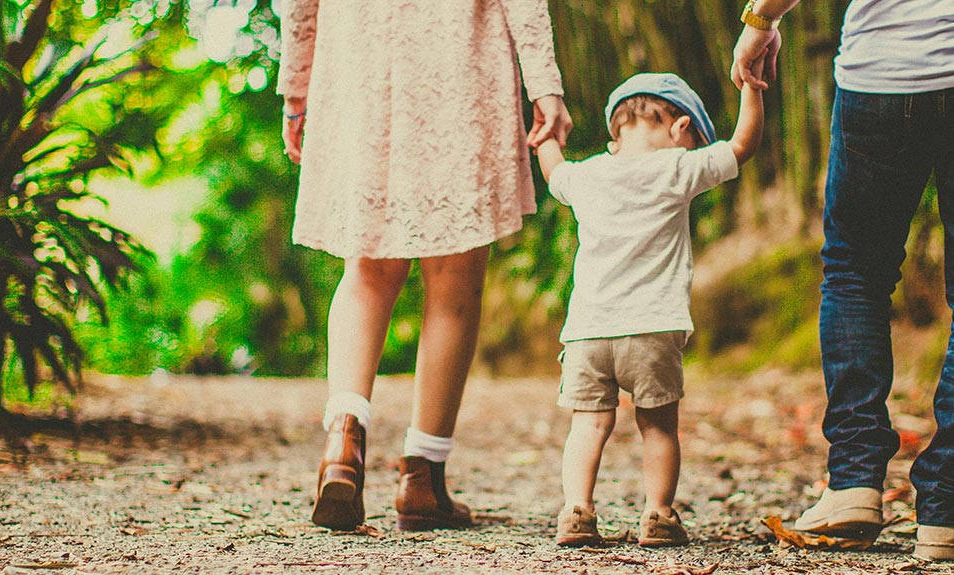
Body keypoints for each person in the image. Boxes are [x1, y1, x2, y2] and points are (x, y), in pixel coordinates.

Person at [276, 1, 572, 531]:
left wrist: (298, 88)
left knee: (366, 268)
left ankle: (343, 441)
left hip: (360, 59)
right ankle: (423, 476)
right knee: (455, 277)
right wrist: (543, 83)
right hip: (460, 57)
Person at [731, 0, 954, 562]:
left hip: (883, 73)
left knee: (857, 272)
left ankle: (855, 482)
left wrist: (761, 20)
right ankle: (949, 505)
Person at [534, 71, 763, 547]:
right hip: (653, 328)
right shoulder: (676, 170)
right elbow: (743, 144)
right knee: (658, 426)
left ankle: (577, 509)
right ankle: (658, 514)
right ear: (681, 131)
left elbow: (553, 168)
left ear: (616, 132)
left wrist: (547, 133)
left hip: (588, 332)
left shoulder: (589, 174)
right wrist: (752, 89)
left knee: (588, 424)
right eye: (694, 141)